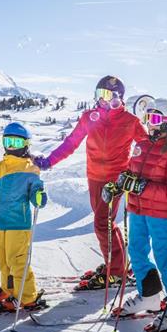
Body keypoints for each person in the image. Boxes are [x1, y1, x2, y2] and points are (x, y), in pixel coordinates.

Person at [34, 76, 148, 289]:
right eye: (99, 95)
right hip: (94, 176)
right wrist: (49, 161)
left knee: (102, 223)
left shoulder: (130, 121)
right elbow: (71, 143)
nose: (103, 100)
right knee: (105, 223)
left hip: (115, 179)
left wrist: (133, 170)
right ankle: (118, 264)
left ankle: (115, 272)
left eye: (108, 95)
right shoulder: (89, 117)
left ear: (119, 98)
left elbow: (146, 147)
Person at [106, 98, 167, 332]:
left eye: (155, 119)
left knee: (164, 257)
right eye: (147, 118)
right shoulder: (143, 144)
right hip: (136, 209)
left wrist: (141, 187)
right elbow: (131, 170)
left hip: (161, 214)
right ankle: (150, 296)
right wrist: (118, 184)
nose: (149, 124)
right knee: (136, 251)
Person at [0, 122, 48, 312]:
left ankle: (28, 297)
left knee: (18, 261)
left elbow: (35, 192)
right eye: (8, 141)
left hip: (18, 224)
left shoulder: (31, 169)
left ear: (26, 144)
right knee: (3, 260)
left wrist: (39, 196)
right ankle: (8, 290)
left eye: (16, 141)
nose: (11, 146)